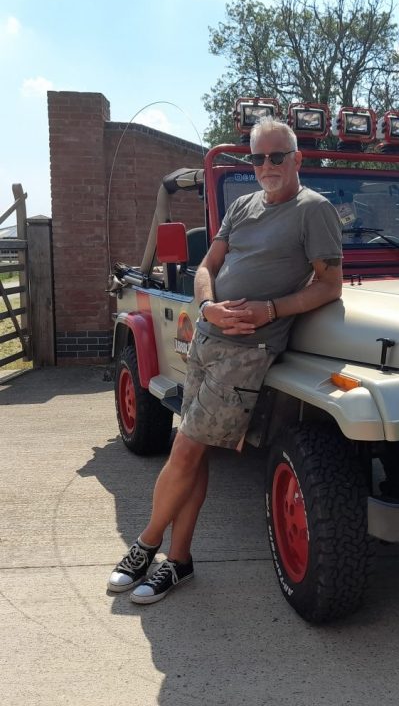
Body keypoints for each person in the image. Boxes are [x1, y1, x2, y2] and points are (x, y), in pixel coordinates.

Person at [108, 118, 343, 604]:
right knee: (195, 453)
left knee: (185, 450)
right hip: (207, 337)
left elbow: (329, 284)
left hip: (247, 350)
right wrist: (207, 304)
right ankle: (180, 560)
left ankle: (146, 544)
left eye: (277, 156)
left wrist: (271, 310)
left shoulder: (313, 211)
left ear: (297, 159)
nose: (267, 166)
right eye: (258, 157)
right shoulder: (241, 205)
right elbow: (207, 268)